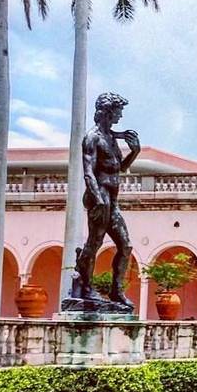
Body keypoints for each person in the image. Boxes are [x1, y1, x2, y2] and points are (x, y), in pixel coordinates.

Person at [70, 92, 141, 308]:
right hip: (99, 197)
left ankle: (116, 291)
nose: (120, 115)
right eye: (118, 111)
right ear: (108, 112)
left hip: (112, 198)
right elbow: (88, 171)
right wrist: (98, 198)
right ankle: (84, 285)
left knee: (125, 245)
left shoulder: (111, 137)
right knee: (95, 242)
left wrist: (135, 151)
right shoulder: (92, 137)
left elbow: (119, 167)